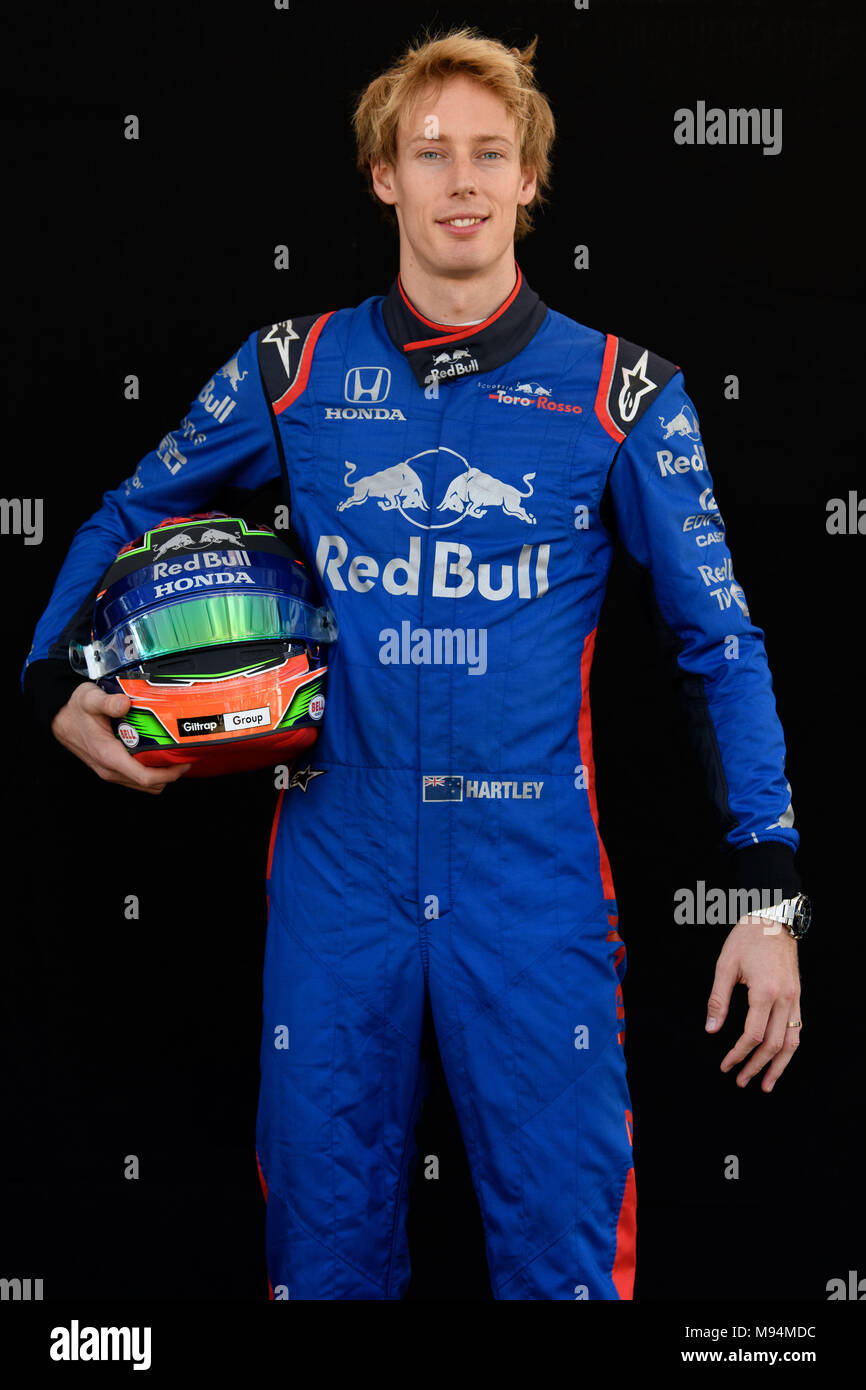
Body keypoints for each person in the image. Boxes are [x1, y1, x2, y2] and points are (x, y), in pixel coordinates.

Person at [21, 27, 807, 1300]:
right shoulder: (293, 368)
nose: (461, 180)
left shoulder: (626, 393)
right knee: (321, 1259)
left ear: (530, 180)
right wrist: (56, 681)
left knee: (566, 1264)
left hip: (533, 888)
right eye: (428, 151)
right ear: (382, 177)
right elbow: (128, 508)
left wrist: (765, 895)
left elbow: (720, 643)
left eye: (489, 153)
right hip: (337, 876)